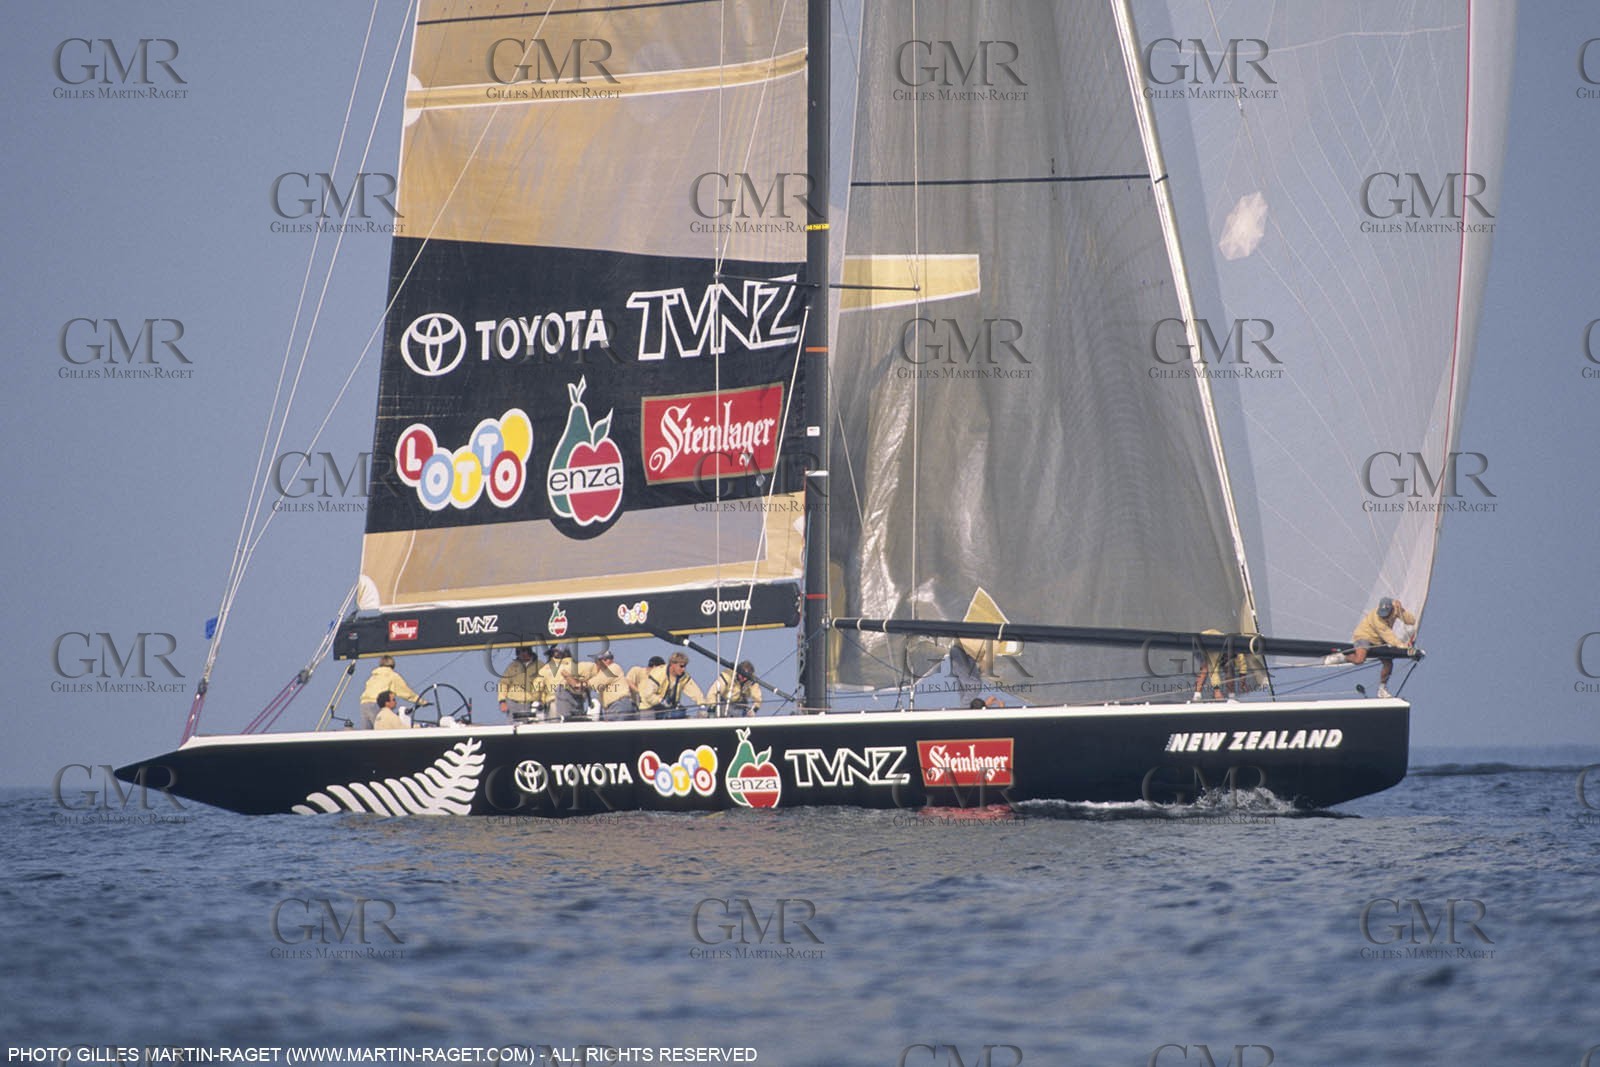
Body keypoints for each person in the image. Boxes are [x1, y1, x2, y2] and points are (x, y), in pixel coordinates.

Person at [1326, 597, 1418, 698]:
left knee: (1388, 663)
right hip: (1364, 636)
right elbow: (1389, 637)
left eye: (1386, 614)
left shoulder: (1395, 610)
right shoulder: (1376, 618)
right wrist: (1404, 647)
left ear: (1391, 609)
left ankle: (1382, 689)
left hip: (1379, 641)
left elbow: (1411, 621)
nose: (1383, 616)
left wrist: (1402, 610)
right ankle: (1341, 657)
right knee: (1359, 659)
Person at [639, 651, 706, 719]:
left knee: (681, 715)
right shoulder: (658, 673)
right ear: (672, 664)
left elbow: (696, 693)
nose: (683, 669)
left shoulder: (684, 677)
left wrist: (702, 706)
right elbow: (647, 695)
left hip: (669, 709)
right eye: (681, 666)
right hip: (649, 708)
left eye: (685, 666)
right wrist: (661, 701)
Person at [359, 655, 418, 730]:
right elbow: (406, 692)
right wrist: (421, 701)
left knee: (367, 734)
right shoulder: (392, 675)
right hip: (377, 704)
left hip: (364, 704)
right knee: (381, 729)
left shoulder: (373, 677)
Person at [585, 649, 638, 720]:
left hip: (619, 705)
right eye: (604, 659)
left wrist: (578, 684)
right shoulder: (602, 674)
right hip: (612, 708)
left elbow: (593, 683)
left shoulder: (613, 668)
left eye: (608, 658)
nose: (607, 661)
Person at [497, 646, 540, 721]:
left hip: (532, 704)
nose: (522, 654)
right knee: (513, 728)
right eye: (519, 652)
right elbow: (503, 683)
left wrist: (542, 701)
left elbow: (546, 684)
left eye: (524, 650)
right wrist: (502, 701)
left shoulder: (540, 665)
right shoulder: (513, 666)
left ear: (529, 651)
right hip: (513, 704)